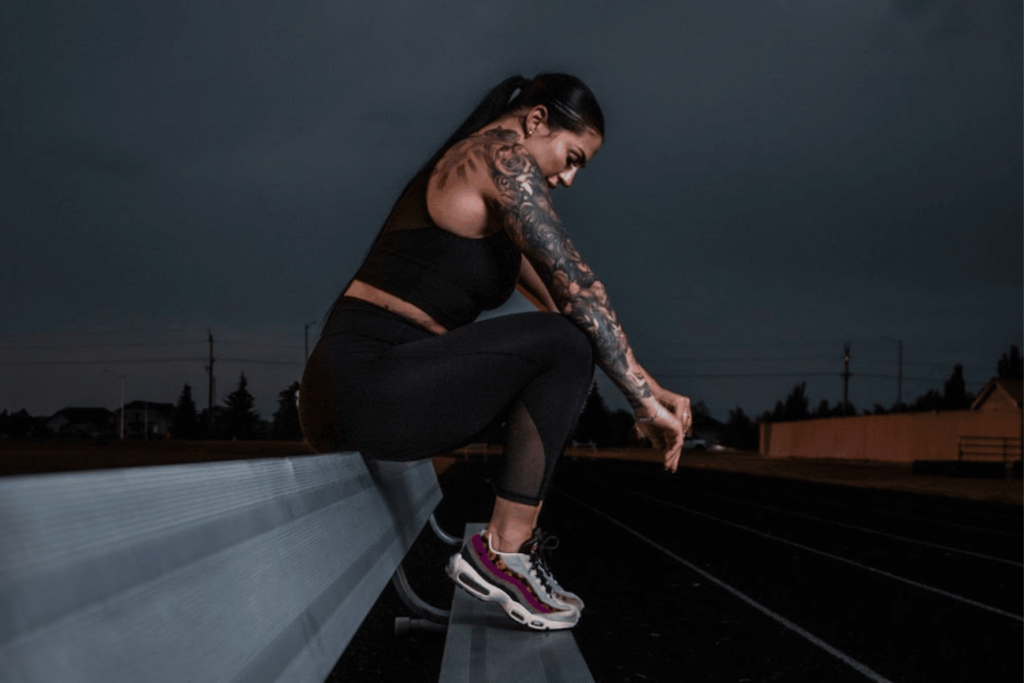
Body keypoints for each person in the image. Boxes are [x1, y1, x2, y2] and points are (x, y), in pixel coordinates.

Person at [299, 73, 692, 631]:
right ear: (536, 121)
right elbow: (579, 292)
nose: (571, 177)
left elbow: (568, 302)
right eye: (572, 156)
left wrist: (650, 388)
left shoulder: (501, 202)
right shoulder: (494, 157)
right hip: (362, 382)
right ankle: (502, 555)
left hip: (382, 390)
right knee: (562, 347)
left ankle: (506, 555)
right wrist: (640, 405)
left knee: (564, 339)